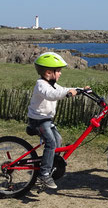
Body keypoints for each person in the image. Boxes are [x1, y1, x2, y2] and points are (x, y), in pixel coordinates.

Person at [27, 52, 83, 189]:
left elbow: (62, 89)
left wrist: (81, 89)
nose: (60, 74)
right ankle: (44, 174)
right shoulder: (41, 84)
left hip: (46, 120)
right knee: (51, 143)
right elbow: (51, 95)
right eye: (58, 71)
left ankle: (51, 164)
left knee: (58, 140)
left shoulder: (52, 84)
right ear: (48, 72)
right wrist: (68, 93)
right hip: (38, 121)